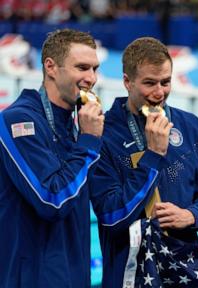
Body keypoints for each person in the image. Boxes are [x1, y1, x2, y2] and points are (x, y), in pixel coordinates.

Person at [90, 37, 198, 287]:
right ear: (127, 82)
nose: (159, 93)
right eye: (149, 83)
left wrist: (190, 215)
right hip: (128, 273)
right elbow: (111, 215)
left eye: (166, 82)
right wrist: (153, 155)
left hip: (184, 270)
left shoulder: (190, 126)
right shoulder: (104, 133)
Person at [0, 29, 104, 287]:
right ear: (51, 67)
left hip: (74, 275)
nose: (91, 78)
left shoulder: (74, 124)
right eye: (82, 67)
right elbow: (52, 200)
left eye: (94, 68)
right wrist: (89, 143)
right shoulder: (18, 121)